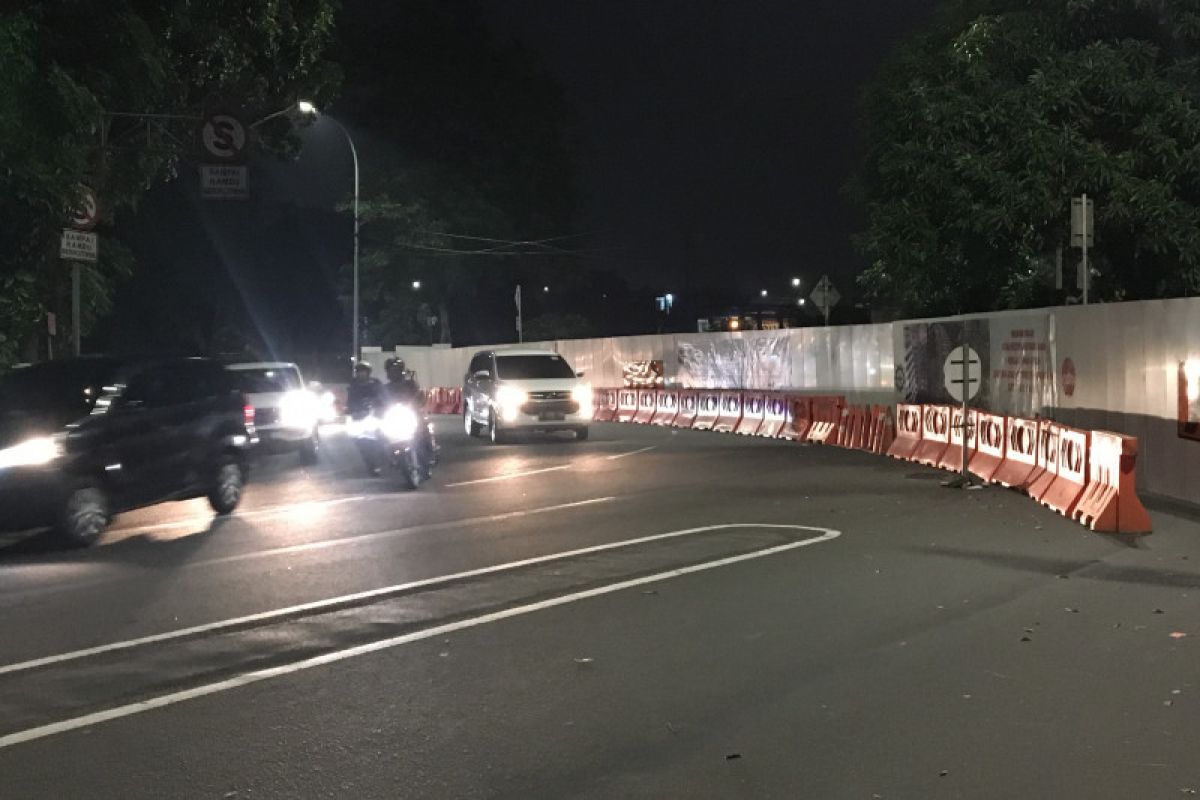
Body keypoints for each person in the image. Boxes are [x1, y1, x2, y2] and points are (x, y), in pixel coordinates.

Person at [383, 357, 437, 476]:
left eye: (396, 370)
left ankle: (429, 455)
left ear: (401, 370)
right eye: (391, 370)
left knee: (423, 429)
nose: (394, 372)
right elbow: (379, 402)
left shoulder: (411, 384)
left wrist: (418, 403)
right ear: (388, 372)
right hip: (394, 417)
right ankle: (391, 457)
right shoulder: (385, 388)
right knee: (382, 434)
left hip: (412, 413)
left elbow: (420, 396)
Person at [346, 362, 386, 475]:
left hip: (376, 414)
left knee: (384, 434)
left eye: (363, 371)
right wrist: (351, 410)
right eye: (359, 372)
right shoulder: (353, 385)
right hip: (360, 417)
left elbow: (385, 396)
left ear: (368, 372)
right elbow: (350, 402)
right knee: (359, 441)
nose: (361, 374)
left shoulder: (376, 383)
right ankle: (371, 464)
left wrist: (380, 404)